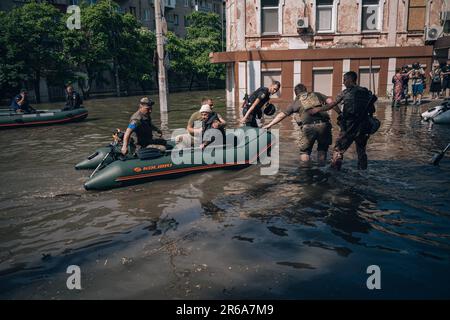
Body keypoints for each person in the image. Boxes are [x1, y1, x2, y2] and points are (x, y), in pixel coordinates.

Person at [310, 71, 377, 170]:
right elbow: (372, 110)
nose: (343, 82)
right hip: (363, 127)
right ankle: (363, 172)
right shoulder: (366, 92)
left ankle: (335, 171)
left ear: (350, 80)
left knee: (338, 149)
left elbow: (332, 105)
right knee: (361, 151)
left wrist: (317, 109)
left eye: (344, 79)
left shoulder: (345, 92)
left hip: (348, 127)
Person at [263, 84, 333, 165]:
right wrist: (340, 113)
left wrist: (269, 125)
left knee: (304, 152)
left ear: (296, 93)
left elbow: (281, 115)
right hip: (324, 125)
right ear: (305, 90)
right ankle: (322, 168)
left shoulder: (295, 103)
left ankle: (305, 170)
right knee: (322, 149)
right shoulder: (317, 94)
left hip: (309, 127)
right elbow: (331, 102)